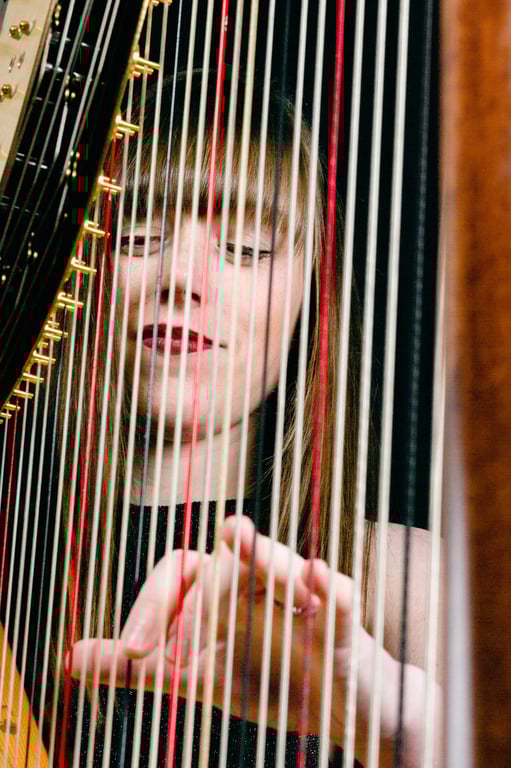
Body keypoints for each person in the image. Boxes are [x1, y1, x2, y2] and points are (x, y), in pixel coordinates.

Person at [64, 71, 443, 767]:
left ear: (309, 297)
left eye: (243, 248)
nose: (180, 277)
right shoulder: (22, 562)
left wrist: (403, 726)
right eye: (137, 235)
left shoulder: (410, 587)